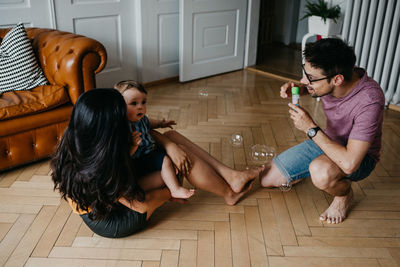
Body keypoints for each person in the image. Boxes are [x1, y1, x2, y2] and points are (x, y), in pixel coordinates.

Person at [51, 88, 262, 238]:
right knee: (174, 172)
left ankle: (231, 178)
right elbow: (125, 196)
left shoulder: (92, 136)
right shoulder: (95, 168)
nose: (129, 113)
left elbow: (145, 131)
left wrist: (169, 145)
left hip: (119, 184)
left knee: (174, 142)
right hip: (113, 216)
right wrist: (167, 193)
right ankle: (229, 191)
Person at [260, 38, 385, 224]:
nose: (303, 80)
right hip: (327, 141)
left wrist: (310, 128)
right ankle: (308, 170)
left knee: (320, 172)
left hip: (359, 158)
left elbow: (350, 163)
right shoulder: (335, 73)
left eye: (310, 78)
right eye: (305, 73)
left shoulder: (370, 100)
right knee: (267, 179)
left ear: (337, 80)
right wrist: (300, 89)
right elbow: (317, 86)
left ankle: (344, 195)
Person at [114, 80, 194, 199]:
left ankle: (174, 189)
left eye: (143, 102)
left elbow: (150, 122)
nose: (140, 107)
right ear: (120, 106)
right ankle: (175, 190)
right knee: (165, 160)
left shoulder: (141, 119)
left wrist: (161, 123)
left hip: (149, 152)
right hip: (137, 159)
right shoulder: (122, 126)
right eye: (134, 103)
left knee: (174, 161)